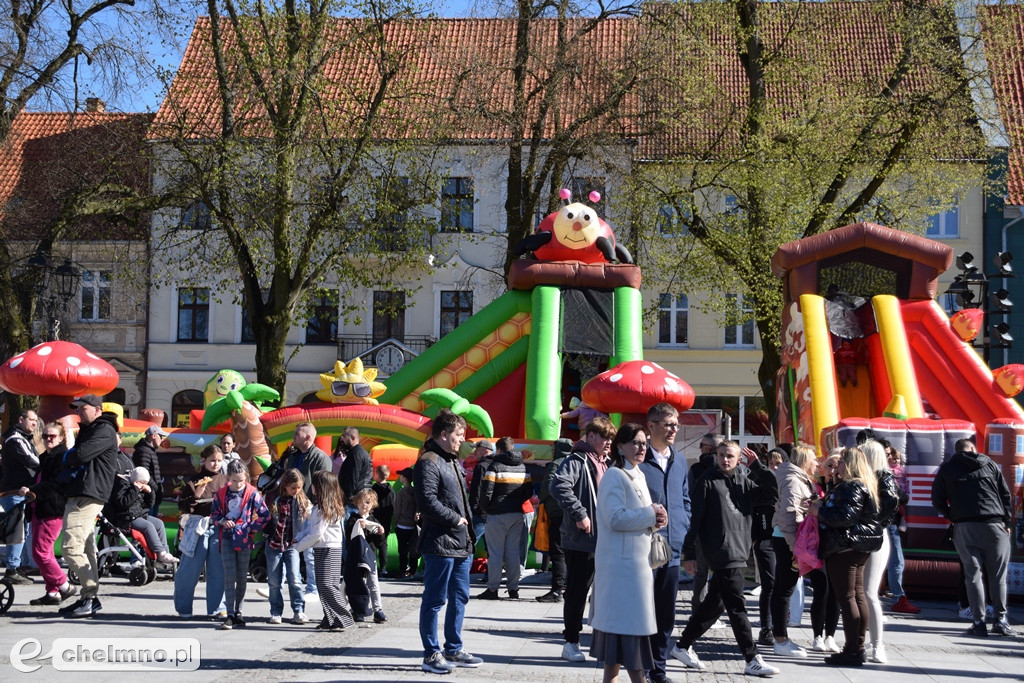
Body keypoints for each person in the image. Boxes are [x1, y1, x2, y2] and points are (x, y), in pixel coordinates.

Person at [670, 441, 780, 677]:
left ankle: (682, 646)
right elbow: (695, 518)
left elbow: (773, 492)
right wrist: (689, 552)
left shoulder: (744, 480)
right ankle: (752, 658)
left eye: (730, 456)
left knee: (714, 605)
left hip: (740, 550)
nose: (724, 459)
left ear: (739, 458)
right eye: (721, 455)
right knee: (737, 607)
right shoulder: (707, 480)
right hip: (721, 551)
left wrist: (758, 467)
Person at [591, 423, 667, 683]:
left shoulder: (639, 474)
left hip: (636, 566)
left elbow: (640, 515)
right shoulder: (615, 475)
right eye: (635, 442)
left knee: (620, 644)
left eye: (644, 442)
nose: (641, 447)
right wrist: (649, 514)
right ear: (621, 446)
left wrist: (658, 517)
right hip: (622, 570)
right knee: (628, 636)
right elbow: (614, 518)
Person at [415, 409, 483, 674]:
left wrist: (466, 528)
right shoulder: (429, 461)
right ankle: (431, 654)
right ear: (443, 435)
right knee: (434, 600)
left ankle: (453, 648)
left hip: (461, 544)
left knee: (459, 598)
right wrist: (455, 519)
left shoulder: (452, 460)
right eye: (458, 434)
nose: (461, 440)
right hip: (440, 543)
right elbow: (427, 501)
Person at [931, 437, 1016, 637]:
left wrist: (953, 516)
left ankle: (978, 622)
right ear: (973, 449)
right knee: (998, 576)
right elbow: (1005, 494)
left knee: (973, 575)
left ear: (957, 451)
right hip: (995, 524)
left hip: (965, 525)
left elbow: (937, 499)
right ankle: (1001, 620)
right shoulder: (990, 464)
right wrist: (1006, 521)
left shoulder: (947, 468)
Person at [550, 416, 616, 663]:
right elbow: (559, 486)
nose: (609, 442)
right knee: (578, 591)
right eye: (604, 437)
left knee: (603, 592)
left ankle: (600, 639)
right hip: (582, 539)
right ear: (590, 437)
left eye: (611, 438)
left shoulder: (605, 462)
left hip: (605, 539)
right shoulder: (577, 460)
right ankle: (571, 642)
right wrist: (580, 514)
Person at [811, 446, 883, 667]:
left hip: (845, 546)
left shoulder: (851, 486)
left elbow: (844, 517)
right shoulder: (864, 484)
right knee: (857, 596)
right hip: (858, 546)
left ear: (850, 464)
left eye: (841, 461)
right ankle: (857, 647)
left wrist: (818, 511)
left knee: (848, 597)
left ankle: (853, 649)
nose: (838, 465)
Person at [637, 404, 690, 683]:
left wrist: (683, 526)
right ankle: (642, 669)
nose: (674, 429)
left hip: (673, 548)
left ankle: (659, 670)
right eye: (668, 424)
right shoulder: (638, 461)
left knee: (666, 614)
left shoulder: (679, 460)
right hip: (645, 548)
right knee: (645, 611)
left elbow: (685, 499)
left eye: (676, 424)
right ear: (652, 426)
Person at [58, 395, 120, 619]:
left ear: (97, 409)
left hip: (88, 493)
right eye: (76, 408)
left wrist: (66, 455)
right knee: (84, 549)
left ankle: (90, 594)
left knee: (70, 548)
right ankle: (88, 598)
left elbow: (81, 455)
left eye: (82, 408)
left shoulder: (103, 430)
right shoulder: (91, 429)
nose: (78, 412)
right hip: (83, 492)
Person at [769, 444, 819, 657]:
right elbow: (788, 519)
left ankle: (781, 637)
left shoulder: (795, 478)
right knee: (784, 589)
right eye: (814, 459)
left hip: (788, 540)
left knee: (783, 588)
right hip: (787, 541)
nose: (817, 463)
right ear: (805, 461)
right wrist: (794, 550)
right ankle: (780, 640)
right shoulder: (792, 480)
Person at [21, 422, 77, 605]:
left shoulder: (61, 457)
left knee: (40, 552)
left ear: (61, 438)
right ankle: (53, 592)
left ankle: (64, 585)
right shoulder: (46, 456)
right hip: (40, 508)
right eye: (45, 436)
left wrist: (32, 489)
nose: (48, 439)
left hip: (52, 509)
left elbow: (55, 483)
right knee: (45, 553)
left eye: (52, 436)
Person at [211, 459, 270, 630]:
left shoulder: (252, 493)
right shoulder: (221, 493)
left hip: (245, 539)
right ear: (229, 477)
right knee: (229, 576)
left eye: (242, 480)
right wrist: (223, 521)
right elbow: (214, 514)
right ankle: (229, 613)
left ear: (246, 478)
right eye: (234, 480)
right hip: (227, 538)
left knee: (242, 576)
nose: (238, 484)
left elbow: (264, 515)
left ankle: (239, 611)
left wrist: (250, 527)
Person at [294, 470, 354, 631]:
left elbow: (317, 533)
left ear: (322, 488)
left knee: (328, 584)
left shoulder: (326, 509)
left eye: (314, 484)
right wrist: (299, 537)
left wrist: (299, 546)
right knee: (323, 585)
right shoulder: (318, 508)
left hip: (329, 548)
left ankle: (344, 617)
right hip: (322, 548)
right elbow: (311, 529)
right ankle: (330, 617)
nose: (311, 487)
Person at [174, 444, 228, 618]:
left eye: (219, 461)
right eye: (212, 460)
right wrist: (196, 495)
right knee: (189, 569)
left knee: (218, 569)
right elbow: (183, 505)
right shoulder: (194, 480)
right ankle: (183, 608)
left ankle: (218, 608)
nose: (216, 464)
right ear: (204, 460)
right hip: (197, 526)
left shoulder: (226, 480)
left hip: (218, 525)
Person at [476, 436, 532, 600]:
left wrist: (486, 508)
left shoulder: (495, 466)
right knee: (513, 553)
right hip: (516, 514)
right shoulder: (523, 466)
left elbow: (486, 492)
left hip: (497, 515)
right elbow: (528, 492)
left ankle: (493, 589)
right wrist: (516, 502)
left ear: (498, 450)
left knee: (495, 553)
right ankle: (513, 589)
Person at [278, 422, 330, 595]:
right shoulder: (293, 455)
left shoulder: (320, 458)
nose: (293, 436)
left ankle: (313, 588)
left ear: (308, 437)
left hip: (310, 509)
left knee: (309, 551)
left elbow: (323, 485)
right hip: (291, 506)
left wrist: (313, 507)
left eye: (297, 433)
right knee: (287, 544)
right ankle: (286, 584)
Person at [861, 440, 901, 663]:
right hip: (870, 535)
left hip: (875, 537)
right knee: (863, 593)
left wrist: (873, 522)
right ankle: (868, 642)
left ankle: (877, 645)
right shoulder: (872, 478)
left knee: (868, 592)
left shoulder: (882, 478)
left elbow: (891, 503)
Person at [104, 465, 178, 565]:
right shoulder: (122, 485)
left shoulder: (141, 487)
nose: (144, 485)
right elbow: (124, 503)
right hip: (125, 518)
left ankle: (166, 552)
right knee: (148, 526)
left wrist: (150, 493)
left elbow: (149, 505)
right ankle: (160, 552)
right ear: (136, 480)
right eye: (143, 483)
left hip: (138, 515)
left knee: (159, 523)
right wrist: (135, 489)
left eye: (146, 483)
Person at [264, 468, 311, 625]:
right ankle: (276, 611)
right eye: (293, 488)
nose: (296, 491)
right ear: (285, 485)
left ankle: (299, 610)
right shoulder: (273, 498)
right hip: (273, 544)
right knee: (274, 581)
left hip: (291, 545)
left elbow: (309, 518)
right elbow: (264, 519)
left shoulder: (301, 500)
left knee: (295, 579)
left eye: (299, 488)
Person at [0, 409, 39, 584]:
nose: (34, 423)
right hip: (14, 492)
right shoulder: (16, 439)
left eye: (36, 420)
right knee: (18, 531)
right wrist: (49, 465)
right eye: (31, 420)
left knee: (23, 531)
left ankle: (20, 566)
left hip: (21, 492)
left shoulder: (22, 438)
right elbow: (32, 461)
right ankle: (11, 569)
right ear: (21, 419)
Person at [687, 432, 723, 617]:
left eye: (708, 448)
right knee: (717, 572)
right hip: (718, 527)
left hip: (703, 526)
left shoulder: (696, 469)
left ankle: (699, 611)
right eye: (704, 447)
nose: (705, 450)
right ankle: (709, 611)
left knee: (701, 572)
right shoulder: (726, 468)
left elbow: (689, 498)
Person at [749, 445, 780, 648]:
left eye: (778, 463)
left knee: (780, 586)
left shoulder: (785, 481)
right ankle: (767, 628)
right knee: (770, 585)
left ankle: (779, 627)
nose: (774, 468)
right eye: (771, 463)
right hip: (765, 541)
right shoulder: (760, 480)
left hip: (783, 541)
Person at [883, 443, 919, 614]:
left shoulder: (884, 473)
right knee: (897, 560)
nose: (891, 458)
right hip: (889, 520)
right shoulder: (885, 474)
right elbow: (899, 495)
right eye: (888, 454)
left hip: (888, 520)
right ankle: (898, 597)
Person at [536, 438, 572, 603]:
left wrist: (543, 497)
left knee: (557, 553)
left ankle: (556, 589)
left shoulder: (557, 463)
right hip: (572, 514)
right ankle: (568, 588)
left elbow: (549, 484)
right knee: (570, 553)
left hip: (558, 512)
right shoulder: (575, 462)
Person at [344, 488, 388, 623]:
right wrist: (359, 526)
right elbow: (350, 538)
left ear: (373, 504)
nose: (365, 505)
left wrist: (380, 534)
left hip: (370, 557)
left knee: (373, 584)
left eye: (368, 502)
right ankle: (358, 609)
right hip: (357, 558)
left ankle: (378, 610)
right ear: (357, 503)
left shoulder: (374, 520)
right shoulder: (353, 519)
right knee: (359, 585)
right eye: (362, 502)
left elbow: (380, 542)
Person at [132, 425, 166, 515]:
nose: (162, 439)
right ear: (154, 435)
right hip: (147, 495)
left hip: (152, 494)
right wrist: (156, 488)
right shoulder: (143, 451)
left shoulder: (149, 451)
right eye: (161, 436)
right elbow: (144, 475)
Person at [466, 440, 495, 544]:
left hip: (480, 513)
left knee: (470, 544)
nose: (474, 452)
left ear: (486, 452)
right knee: (492, 547)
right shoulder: (497, 465)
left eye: (477, 450)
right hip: (493, 513)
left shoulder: (481, 466)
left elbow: (477, 490)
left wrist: (472, 510)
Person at [393, 467, 420, 577]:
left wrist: (396, 521)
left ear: (404, 478)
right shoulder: (416, 492)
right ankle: (413, 570)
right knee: (413, 548)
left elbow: (397, 509)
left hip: (402, 525)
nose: (400, 477)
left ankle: (403, 570)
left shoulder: (401, 492)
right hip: (413, 525)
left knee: (402, 550)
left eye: (402, 475)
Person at [338, 427, 372, 503]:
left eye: (344, 436)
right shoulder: (358, 452)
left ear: (353, 438)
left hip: (355, 499)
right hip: (360, 497)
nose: (341, 439)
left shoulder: (356, 454)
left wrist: (347, 499)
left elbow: (352, 478)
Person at [372, 464, 395, 576]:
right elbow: (392, 506)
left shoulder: (374, 490)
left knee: (372, 543)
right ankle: (383, 568)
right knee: (383, 545)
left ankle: (372, 566)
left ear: (376, 474)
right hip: (386, 521)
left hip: (374, 520)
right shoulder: (391, 490)